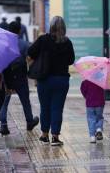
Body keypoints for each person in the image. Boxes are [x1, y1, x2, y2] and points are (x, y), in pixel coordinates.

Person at [27, 16, 75, 146]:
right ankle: (55, 137)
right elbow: (71, 60)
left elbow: (30, 52)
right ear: (63, 28)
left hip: (45, 80)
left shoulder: (43, 40)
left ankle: (44, 135)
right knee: (57, 108)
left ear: (51, 26)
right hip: (61, 80)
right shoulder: (67, 42)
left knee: (45, 107)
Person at [0, 21, 39, 135]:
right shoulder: (24, 44)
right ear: (19, 30)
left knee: (4, 102)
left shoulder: (3, 44)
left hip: (6, 76)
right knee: (25, 100)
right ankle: (29, 121)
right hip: (20, 76)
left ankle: (3, 125)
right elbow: (31, 58)